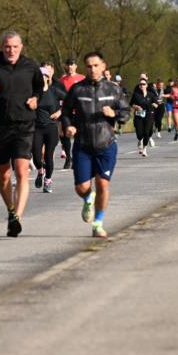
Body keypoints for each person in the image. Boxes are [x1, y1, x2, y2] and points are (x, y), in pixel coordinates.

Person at [0, 31, 42, 238]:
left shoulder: (31, 66)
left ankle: (17, 218)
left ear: (21, 47)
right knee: (4, 174)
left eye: (14, 46)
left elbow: (40, 88)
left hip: (24, 125)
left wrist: (35, 99)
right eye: (7, 47)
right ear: (1, 47)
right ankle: (11, 210)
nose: (11, 50)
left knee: (22, 170)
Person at [60, 51, 130, 239]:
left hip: (106, 143)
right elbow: (65, 112)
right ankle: (88, 199)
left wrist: (113, 114)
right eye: (89, 66)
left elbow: (126, 113)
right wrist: (69, 126)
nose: (92, 69)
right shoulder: (77, 90)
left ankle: (98, 223)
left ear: (103, 66)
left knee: (102, 184)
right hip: (82, 143)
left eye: (96, 65)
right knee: (81, 187)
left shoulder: (113, 89)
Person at [32, 62, 66, 193]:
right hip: (36, 128)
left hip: (51, 128)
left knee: (48, 156)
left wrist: (59, 112)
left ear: (47, 77)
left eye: (42, 76)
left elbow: (69, 101)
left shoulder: (55, 91)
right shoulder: (33, 93)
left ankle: (48, 181)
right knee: (36, 156)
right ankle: (40, 171)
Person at [57, 58, 85, 169]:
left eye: (72, 65)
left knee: (79, 136)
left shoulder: (82, 78)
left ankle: (78, 157)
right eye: (68, 65)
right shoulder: (62, 80)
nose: (70, 67)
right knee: (64, 135)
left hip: (79, 112)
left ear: (76, 66)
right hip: (66, 112)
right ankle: (69, 157)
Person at [130, 76, 160, 157]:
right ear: (139, 86)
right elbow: (131, 104)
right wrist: (136, 107)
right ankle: (140, 140)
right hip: (139, 115)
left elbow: (157, 104)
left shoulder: (151, 94)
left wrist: (155, 104)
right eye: (140, 84)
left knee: (147, 133)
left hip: (149, 114)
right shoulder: (136, 95)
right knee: (140, 134)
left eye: (144, 84)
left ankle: (144, 149)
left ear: (146, 85)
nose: (142, 85)